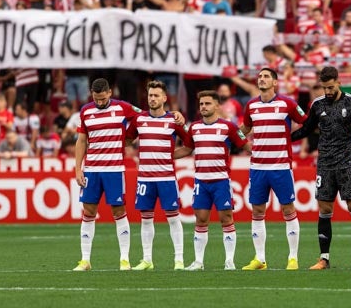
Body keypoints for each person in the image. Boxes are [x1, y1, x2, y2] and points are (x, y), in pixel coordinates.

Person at [291, 66, 351, 270]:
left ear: (339, 82)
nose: (327, 91)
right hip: (324, 164)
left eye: (330, 87)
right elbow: (306, 130)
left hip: (347, 163)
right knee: (325, 209)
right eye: (324, 87)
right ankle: (323, 258)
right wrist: (282, 139)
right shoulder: (317, 105)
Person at [239, 68, 307, 271]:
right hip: (258, 166)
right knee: (258, 210)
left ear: (275, 82)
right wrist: (241, 143)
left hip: (280, 166)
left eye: (266, 76)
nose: (261, 79)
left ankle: (293, 258)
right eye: (259, 76)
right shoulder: (251, 105)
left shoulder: (287, 103)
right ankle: (260, 259)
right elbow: (244, 129)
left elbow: (307, 122)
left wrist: (292, 138)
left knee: (288, 209)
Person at [72, 78, 142, 271]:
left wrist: (128, 137)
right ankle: (85, 260)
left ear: (110, 93)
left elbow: (143, 117)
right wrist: (78, 168)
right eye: (96, 98)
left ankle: (124, 259)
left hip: (114, 169)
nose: (100, 102)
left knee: (118, 211)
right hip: (92, 169)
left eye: (103, 98)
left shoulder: (123, 108)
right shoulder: (86, 110)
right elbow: (81, 141)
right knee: (88, 211)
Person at [124, 80, 191, 271]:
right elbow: (128, 139)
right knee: (146, 218)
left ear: (164, 98)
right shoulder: (139, 120)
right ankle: (147, 260)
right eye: (150, 95)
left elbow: (190, 145)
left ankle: (179, 260)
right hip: (145, 178)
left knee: (173, 218)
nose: (152, 99)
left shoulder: (174, 121)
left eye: (156, 96)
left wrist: (170, 156)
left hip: (166, 178)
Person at [183, 90, 247, 271]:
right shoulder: (194, 127)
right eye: (201, 104)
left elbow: (245, 144)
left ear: (217, 106)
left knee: (226, 218)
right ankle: (198, 262)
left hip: (221, 181)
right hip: (201, 182)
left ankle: (229, 261)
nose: (203, 107)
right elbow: (186, 150)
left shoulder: (229, 127)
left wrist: (263, 149)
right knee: (201, 219)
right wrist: (164, 155)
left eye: (207, 103)